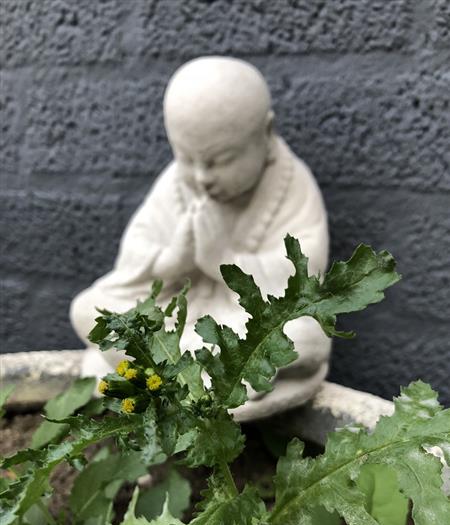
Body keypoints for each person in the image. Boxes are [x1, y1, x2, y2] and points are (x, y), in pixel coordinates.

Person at [70, 56, 331, 417]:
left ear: (266, 135)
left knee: (306, 336)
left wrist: (226, 262)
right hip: (178, 319)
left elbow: (304, 284)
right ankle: (205, 373)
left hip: (243, 325)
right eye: (185, 157)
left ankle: (198, 370)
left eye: (220, 160)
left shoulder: (292, 187)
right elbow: (133, 258)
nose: (200, 175)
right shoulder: (176, 183)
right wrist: (170, 262)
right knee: (89, 309)